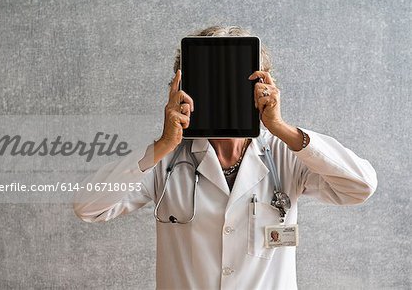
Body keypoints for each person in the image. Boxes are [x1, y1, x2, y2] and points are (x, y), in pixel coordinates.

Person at [73, 25, 377, 290]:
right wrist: (163, 144)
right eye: (209, 84)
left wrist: (281, 128)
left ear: (262, 89)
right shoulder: (165, 160)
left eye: (233, 84)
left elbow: (360, 186)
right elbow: (88, 207)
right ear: (180, 89)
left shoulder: (286, 154)